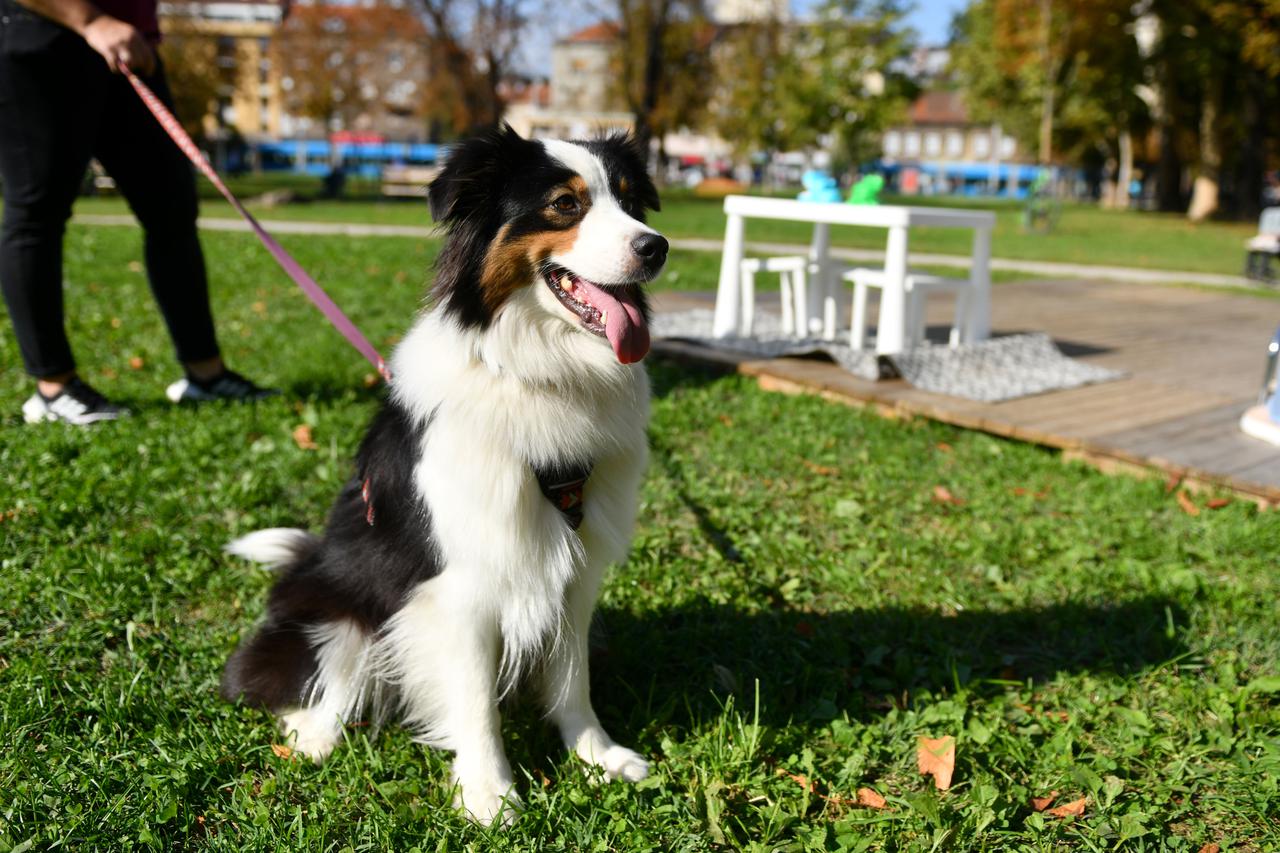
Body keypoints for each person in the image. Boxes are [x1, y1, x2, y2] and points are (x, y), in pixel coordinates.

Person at [0, 0, 272, 425]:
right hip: (44, 31)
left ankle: (205, 374)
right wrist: (90, 20)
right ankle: (54, 386)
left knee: (172, 211)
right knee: (37, 212)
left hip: (131, 44)